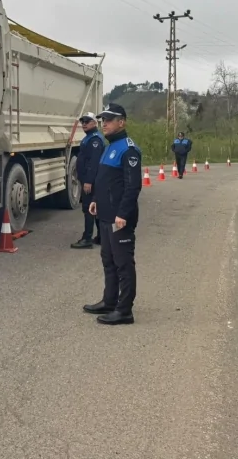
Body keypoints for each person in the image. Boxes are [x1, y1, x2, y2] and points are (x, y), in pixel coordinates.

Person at [84, 103, 142, 325]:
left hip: (120, 218)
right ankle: (109, 301)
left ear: (122, 122)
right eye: (103, 119)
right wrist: (97, 200)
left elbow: (132, 186)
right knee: (108, 260)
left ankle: (125, 310)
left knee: (123, 264)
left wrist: (123, 213)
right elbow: (106, 179)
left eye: (109, 119)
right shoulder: (109, 147)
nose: (104, 123)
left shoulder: (129, 149)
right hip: (106, 216)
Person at [71, 112, 105, 249]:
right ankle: (102, 237)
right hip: (90, 179)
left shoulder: (95, 140)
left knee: (89, 209)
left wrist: (88, 181)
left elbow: (94, 163)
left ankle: (87, 239)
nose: (84, 123)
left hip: (91, 181)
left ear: (94, 123)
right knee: (95, 208)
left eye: (87, 121)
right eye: (82, 121)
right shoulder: (90, 138)